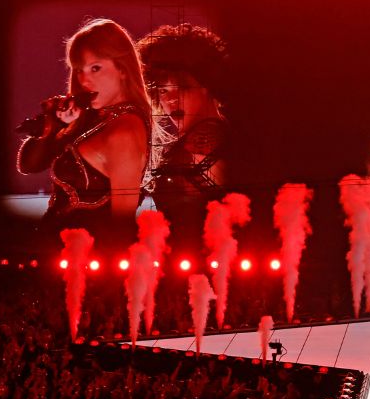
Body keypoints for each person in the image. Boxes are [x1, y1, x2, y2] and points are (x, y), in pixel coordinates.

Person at [17, 19, 152, 233]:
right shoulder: (93, 118)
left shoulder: (124, 130)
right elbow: (29, 166)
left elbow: (122, 224)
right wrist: (55, 125)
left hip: (86, 256)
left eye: (95, 68)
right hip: (57, 247)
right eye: (79, 70)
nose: (84, 80)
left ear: (123, 70)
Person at [135, 24, 231, 242]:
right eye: (163, 90)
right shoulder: (191, 141)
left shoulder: (205, 141)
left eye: (182, 87)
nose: (170, 99)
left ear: (207, 85)